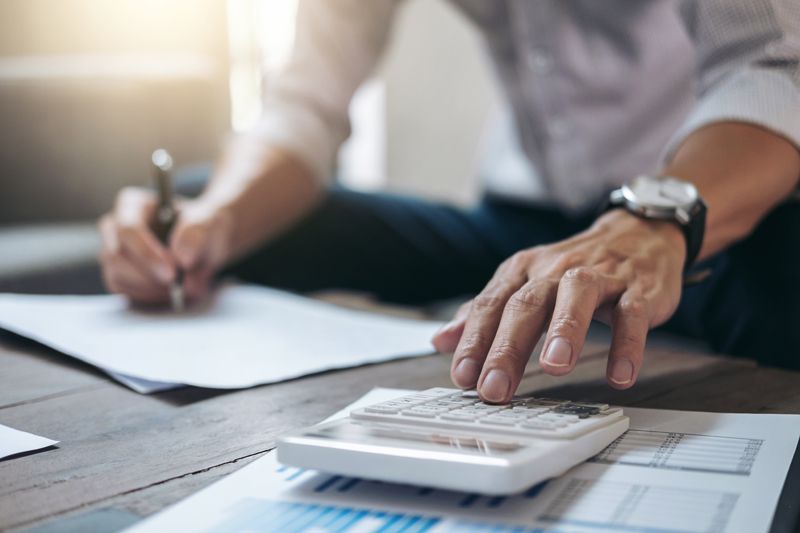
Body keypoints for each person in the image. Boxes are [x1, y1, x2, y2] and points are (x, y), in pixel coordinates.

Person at [98, 1, 800, 403]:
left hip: (695, 214)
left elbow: (771, 66)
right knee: (199, 198)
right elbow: (305, 105)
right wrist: (216, 219)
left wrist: (655, 220)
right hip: (517, 223)